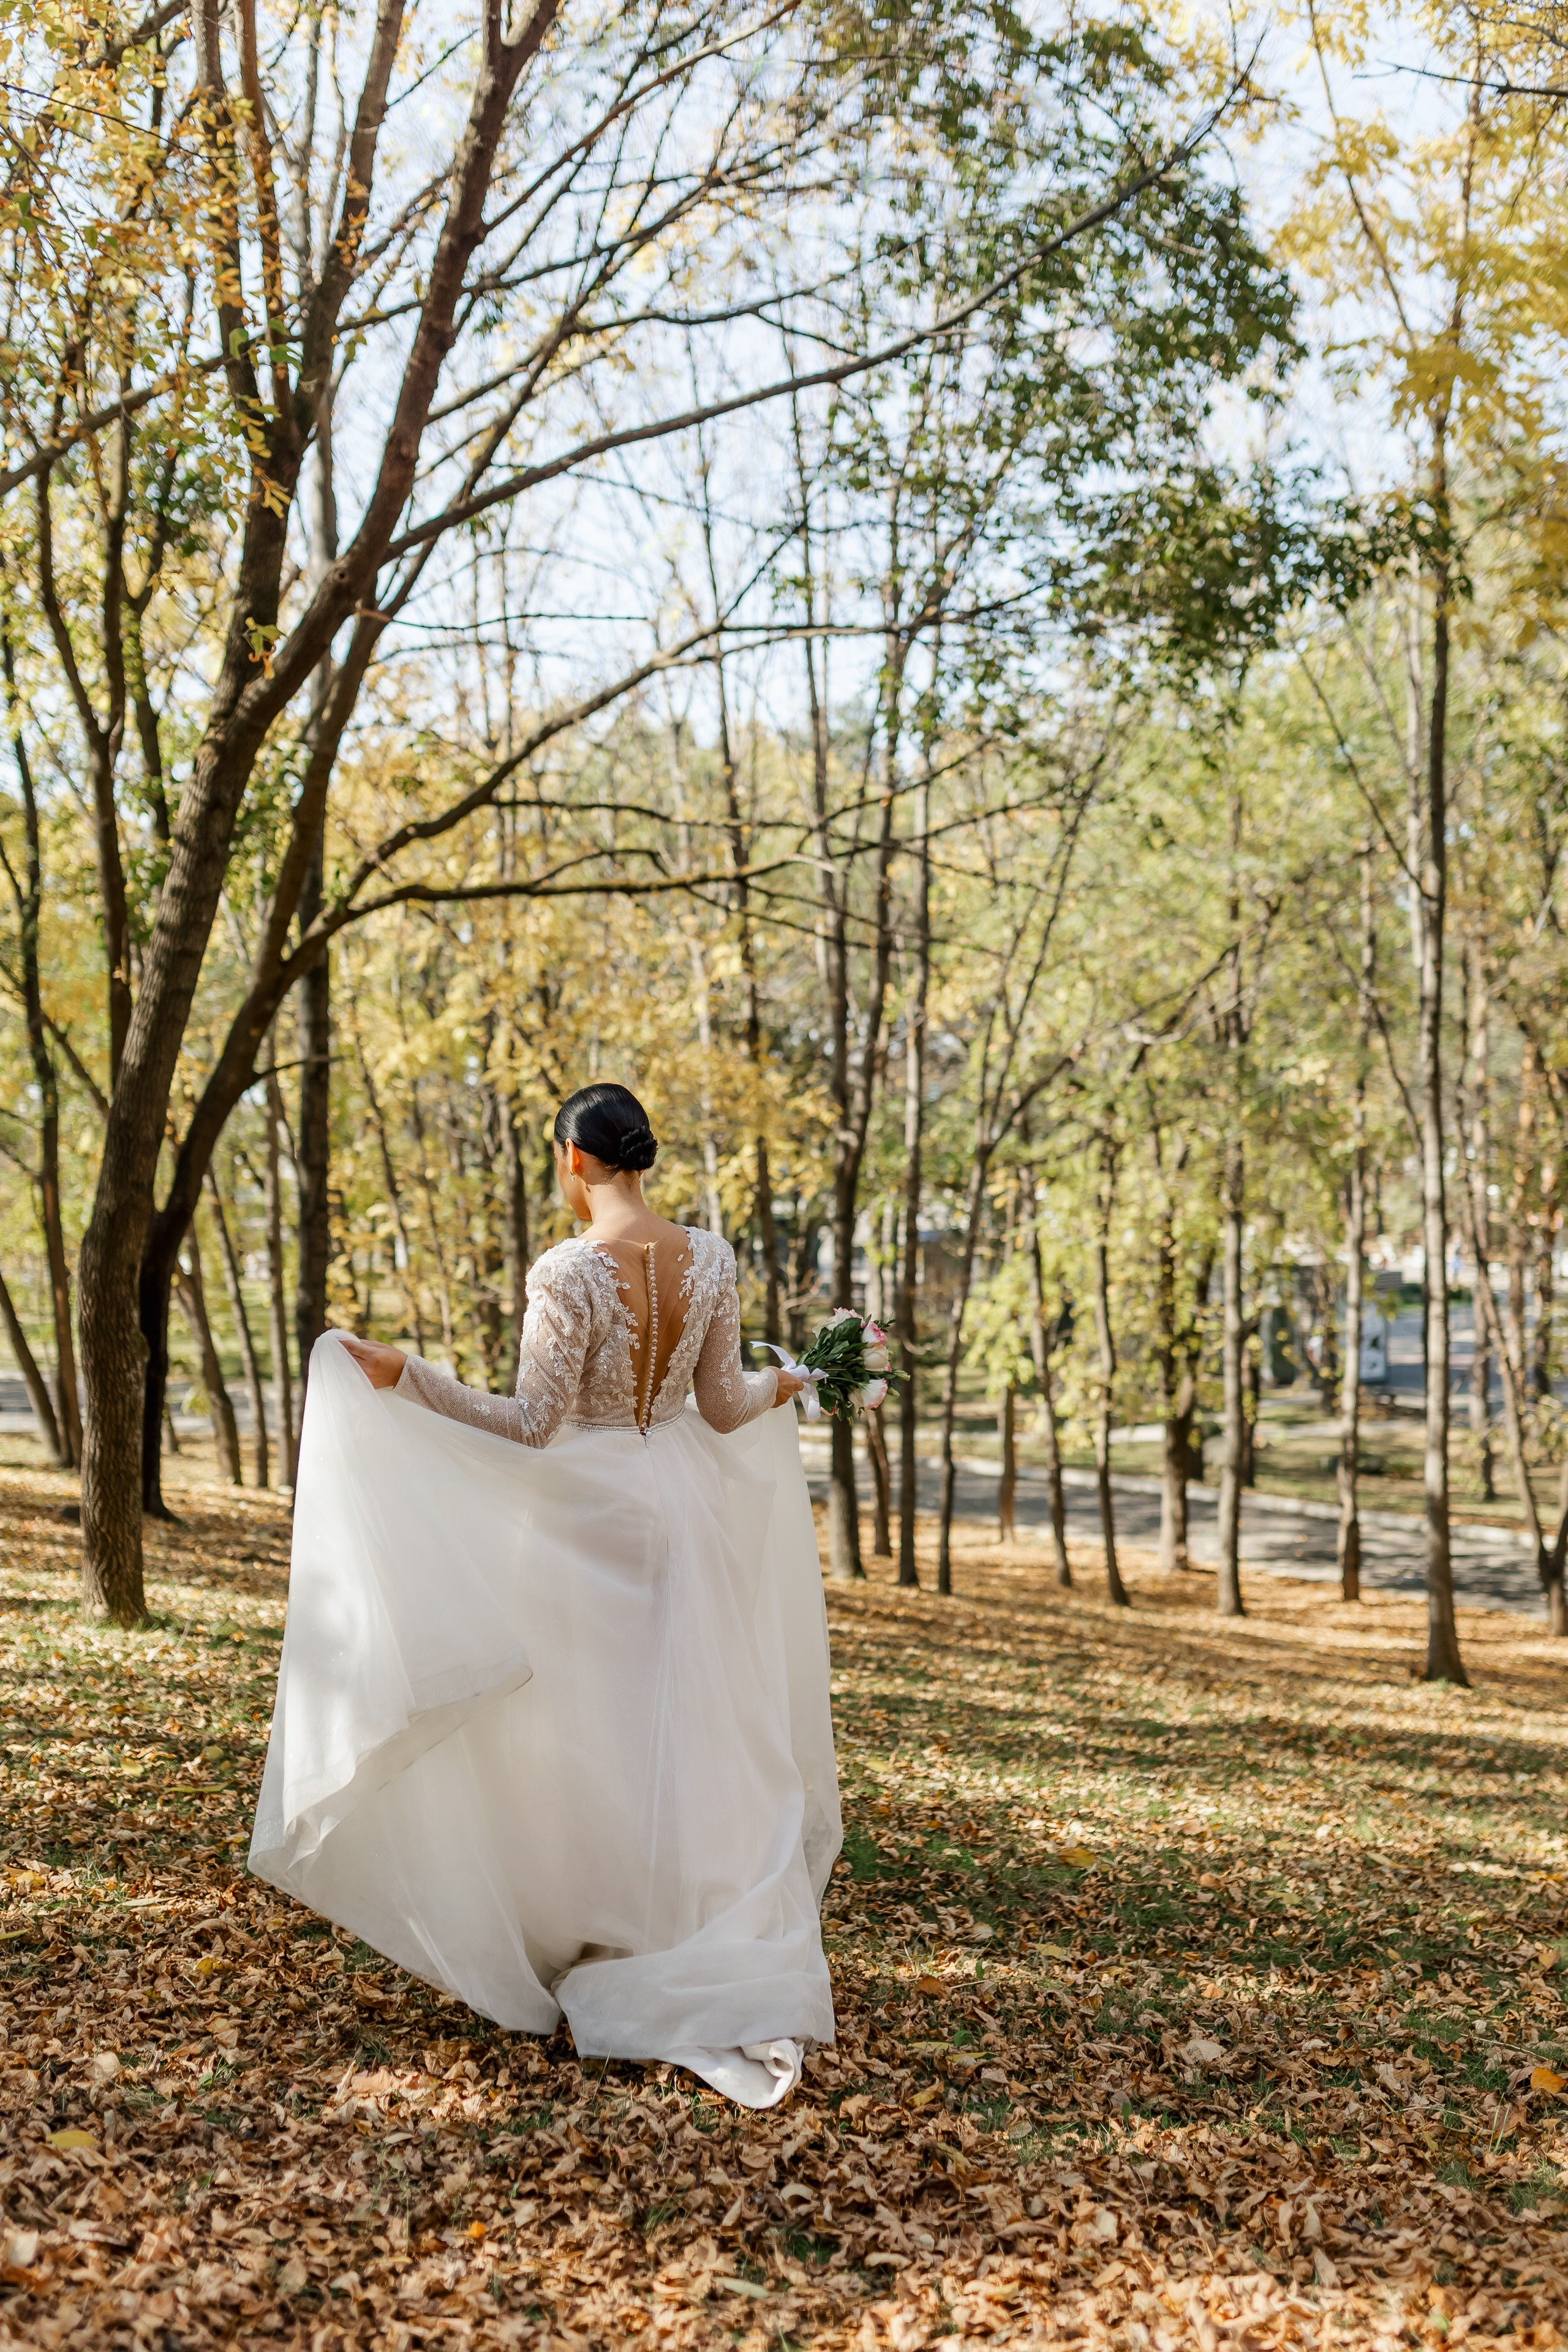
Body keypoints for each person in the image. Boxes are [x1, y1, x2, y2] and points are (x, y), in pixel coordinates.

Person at [250, 1083, 840, 2109]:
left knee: (588, 1726)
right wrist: (791, 1383)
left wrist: (408, 1375)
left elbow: (529, 1423)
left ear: (575, 1159)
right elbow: (721, 1404)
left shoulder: (567, 1270)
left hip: (588, 1518)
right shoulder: (709, 1256)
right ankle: (683, 1919)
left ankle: (600, 1921)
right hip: (684, 1511)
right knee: (686, 1720)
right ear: (635, 1158)